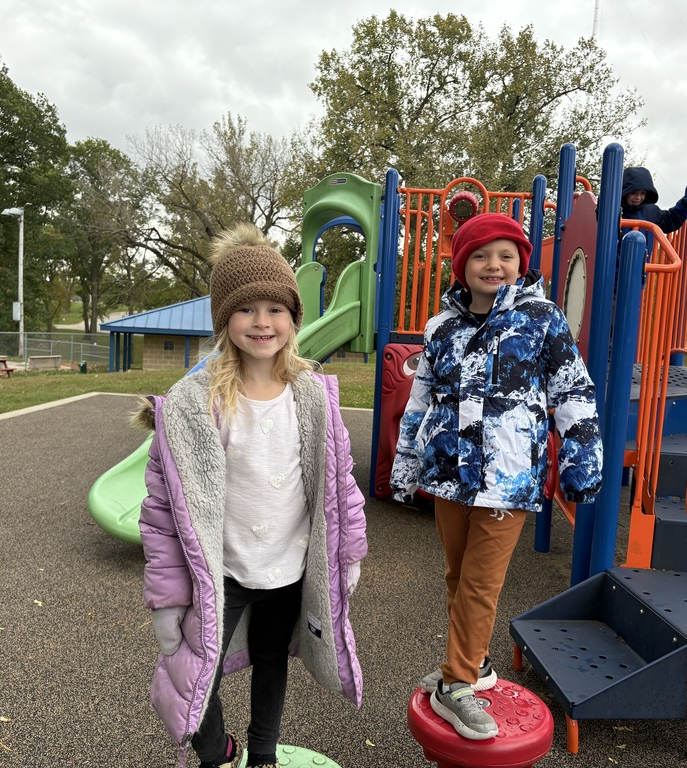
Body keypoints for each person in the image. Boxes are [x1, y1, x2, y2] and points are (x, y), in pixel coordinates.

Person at [135, 223, 368, 768]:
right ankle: (218, 753)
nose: (262, 322)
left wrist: (348, 552)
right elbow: (162, 514)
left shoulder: (312, 397)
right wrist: (168, 599)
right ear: (224, 321)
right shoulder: (194, 404)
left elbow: (341, 488)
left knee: (272, 659)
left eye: (275, 309)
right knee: (198, 676)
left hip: (288, 568)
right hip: (223, 574)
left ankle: (262, 753)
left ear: (292, 318)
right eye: (246, 310)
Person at [390, 213, 603, 741]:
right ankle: (477, 665)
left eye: (506, 255)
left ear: (521, 264)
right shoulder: (441, 328)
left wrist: (581, 461)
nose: (494, 265)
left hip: (507, 478)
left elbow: (573, 393)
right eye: (482, 256)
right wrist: (406, 464)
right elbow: (420, 400)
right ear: (462, 265)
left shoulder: (542, 319)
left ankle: (456, 684)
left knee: (481, 584)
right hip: (447, 473)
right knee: (458, 576)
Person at [620, 166, 687, 234]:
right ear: (625, 192)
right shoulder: (615, 211)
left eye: (642, 193)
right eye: (633, 193)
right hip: (613, 253)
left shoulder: (651, 211)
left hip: (643, 253)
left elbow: (669, 220)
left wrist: (685, 203)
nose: (638, 197)